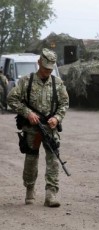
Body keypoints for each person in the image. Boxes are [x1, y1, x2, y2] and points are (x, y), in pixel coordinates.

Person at [7, 48, 69, 207]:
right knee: (31, 160)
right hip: (32, 130)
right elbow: (12, 99)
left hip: (50, 129)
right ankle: (30, 189)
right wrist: (27, 113)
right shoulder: (26, 81)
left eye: (50, 69)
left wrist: (57, 117)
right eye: (45, 67)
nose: (47, 71)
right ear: (39, 63)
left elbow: (64, 103)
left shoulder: (57, 83)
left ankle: (51, 194)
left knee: (53, 160)